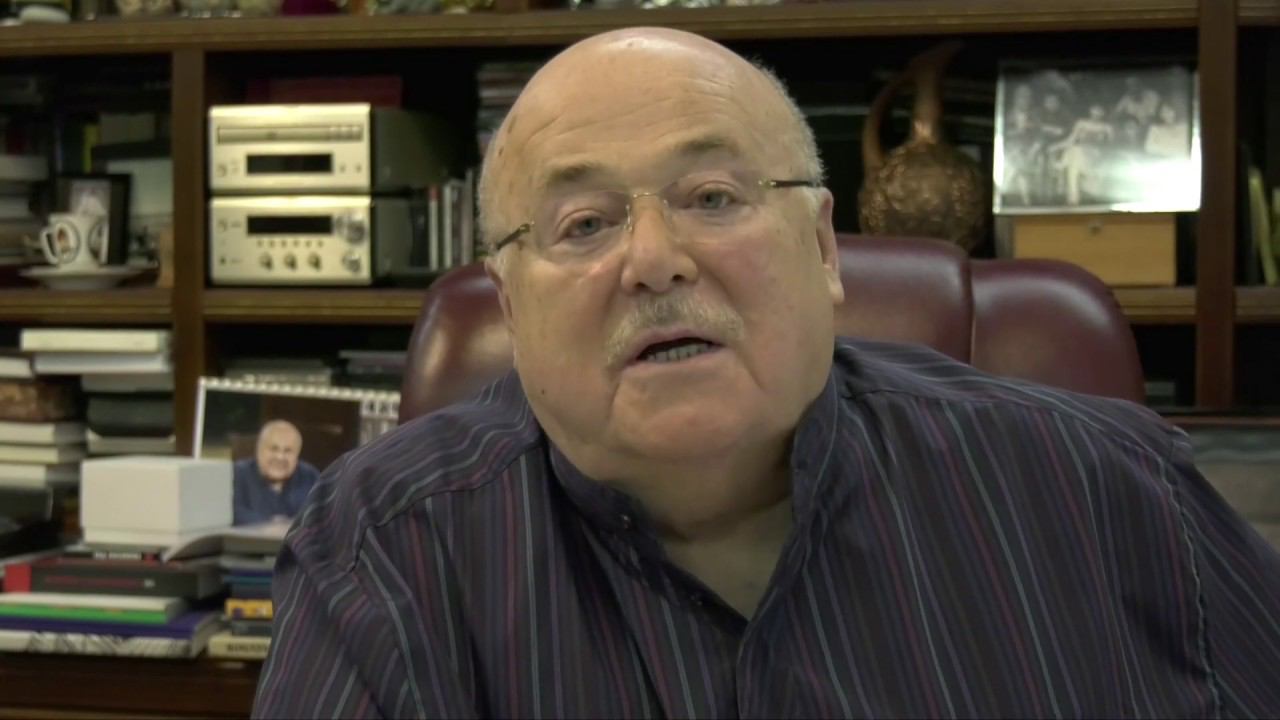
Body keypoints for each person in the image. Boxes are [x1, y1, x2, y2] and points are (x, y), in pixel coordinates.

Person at [254, 28, 1280, 718]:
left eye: (711, 197)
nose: (654, 259)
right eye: (583, 223)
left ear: (823, 248)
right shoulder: (384, 550)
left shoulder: (1108, 490)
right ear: (511, 305)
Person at [232, 418, 319, 525]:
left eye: (288, 451)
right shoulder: (237, 474)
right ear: (259, 449)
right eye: (274, 449)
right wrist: (269, 524)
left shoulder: (310, 476)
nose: (280, 457)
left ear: (297, 454)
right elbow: (232, 513)